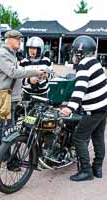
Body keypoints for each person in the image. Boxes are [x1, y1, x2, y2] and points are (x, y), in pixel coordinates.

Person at [60, 35, 107, 182]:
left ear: (79, 53)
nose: (72, 55)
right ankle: (97, 168)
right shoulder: (95, 62)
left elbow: (80, 88)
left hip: (93, 110)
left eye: (74, 52)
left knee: (79, 138)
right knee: (98, 138)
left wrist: (69, 107)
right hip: (103, 107)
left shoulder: (83, 65)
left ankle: (86, 171)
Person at [0, 30, 45, 149]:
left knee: (5, 128)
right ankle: (7, 159)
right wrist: (35, 72)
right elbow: (13, 72)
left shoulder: (11, 54)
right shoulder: (3, 54)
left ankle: (2, 156)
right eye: (18, 39)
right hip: (5, 97)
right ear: (10, 39)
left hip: (9, 97)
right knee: (8, 129)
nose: (20, 42)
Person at [20, 36, 53, 101]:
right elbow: (19, 79)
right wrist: (29, 80)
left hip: (43, 94)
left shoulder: (47, 61)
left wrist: (47, 75)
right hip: (27, 93)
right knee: (26, 110)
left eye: (34, 48)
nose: (31, 50)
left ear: (40, 49)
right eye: (29, 48)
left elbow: (52, 76)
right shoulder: (24, 62)